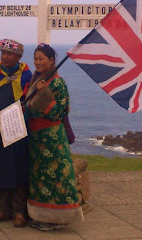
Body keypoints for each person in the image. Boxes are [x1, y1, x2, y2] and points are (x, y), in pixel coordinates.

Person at [25, 43, 84, 231]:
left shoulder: (57, 83)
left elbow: (59, 112)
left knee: (54, 178)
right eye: (35, 58)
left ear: (52, 60)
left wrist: (44, 93)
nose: (37, 62)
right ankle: (41, 216)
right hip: (37, 139)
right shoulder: (38, 80)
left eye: (41, 58)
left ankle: (56, 219)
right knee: (41, 177)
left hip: (52, 139)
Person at [0, 39, 32, 227]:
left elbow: (29, 101)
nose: (5, 57)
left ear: (18, 57)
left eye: (10, 54)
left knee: (18, 169)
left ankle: (19, 211)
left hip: (16, 130)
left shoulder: (26, 76)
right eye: (3, 53)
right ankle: (2, 210)